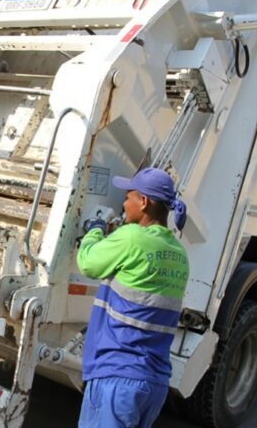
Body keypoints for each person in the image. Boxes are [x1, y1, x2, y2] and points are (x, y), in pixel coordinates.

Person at [76, 168, 190, 428]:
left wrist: (95, 229)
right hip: (155, 382)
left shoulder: (132, 238)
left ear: (144, 202)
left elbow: (88, 263)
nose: (124, 203)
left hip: (117, 376)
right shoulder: (178, 253)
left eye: (128, 196)